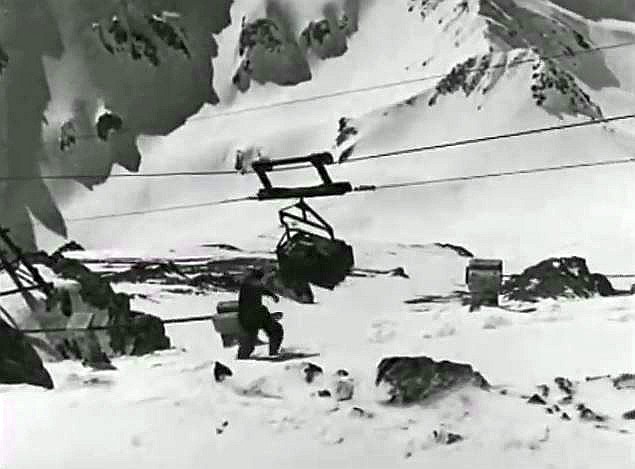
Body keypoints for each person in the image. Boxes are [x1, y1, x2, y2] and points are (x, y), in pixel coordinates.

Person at [237, 268, 283, 359]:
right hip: (252, 316)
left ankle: (243, 356)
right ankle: (243, 357)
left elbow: (261, 289)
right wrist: (272, 295)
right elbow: (259, 288)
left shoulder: (250, 284)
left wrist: (272, 295)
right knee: (274, 331)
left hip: (252, 316)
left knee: (274, 330)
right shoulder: (251, 285)